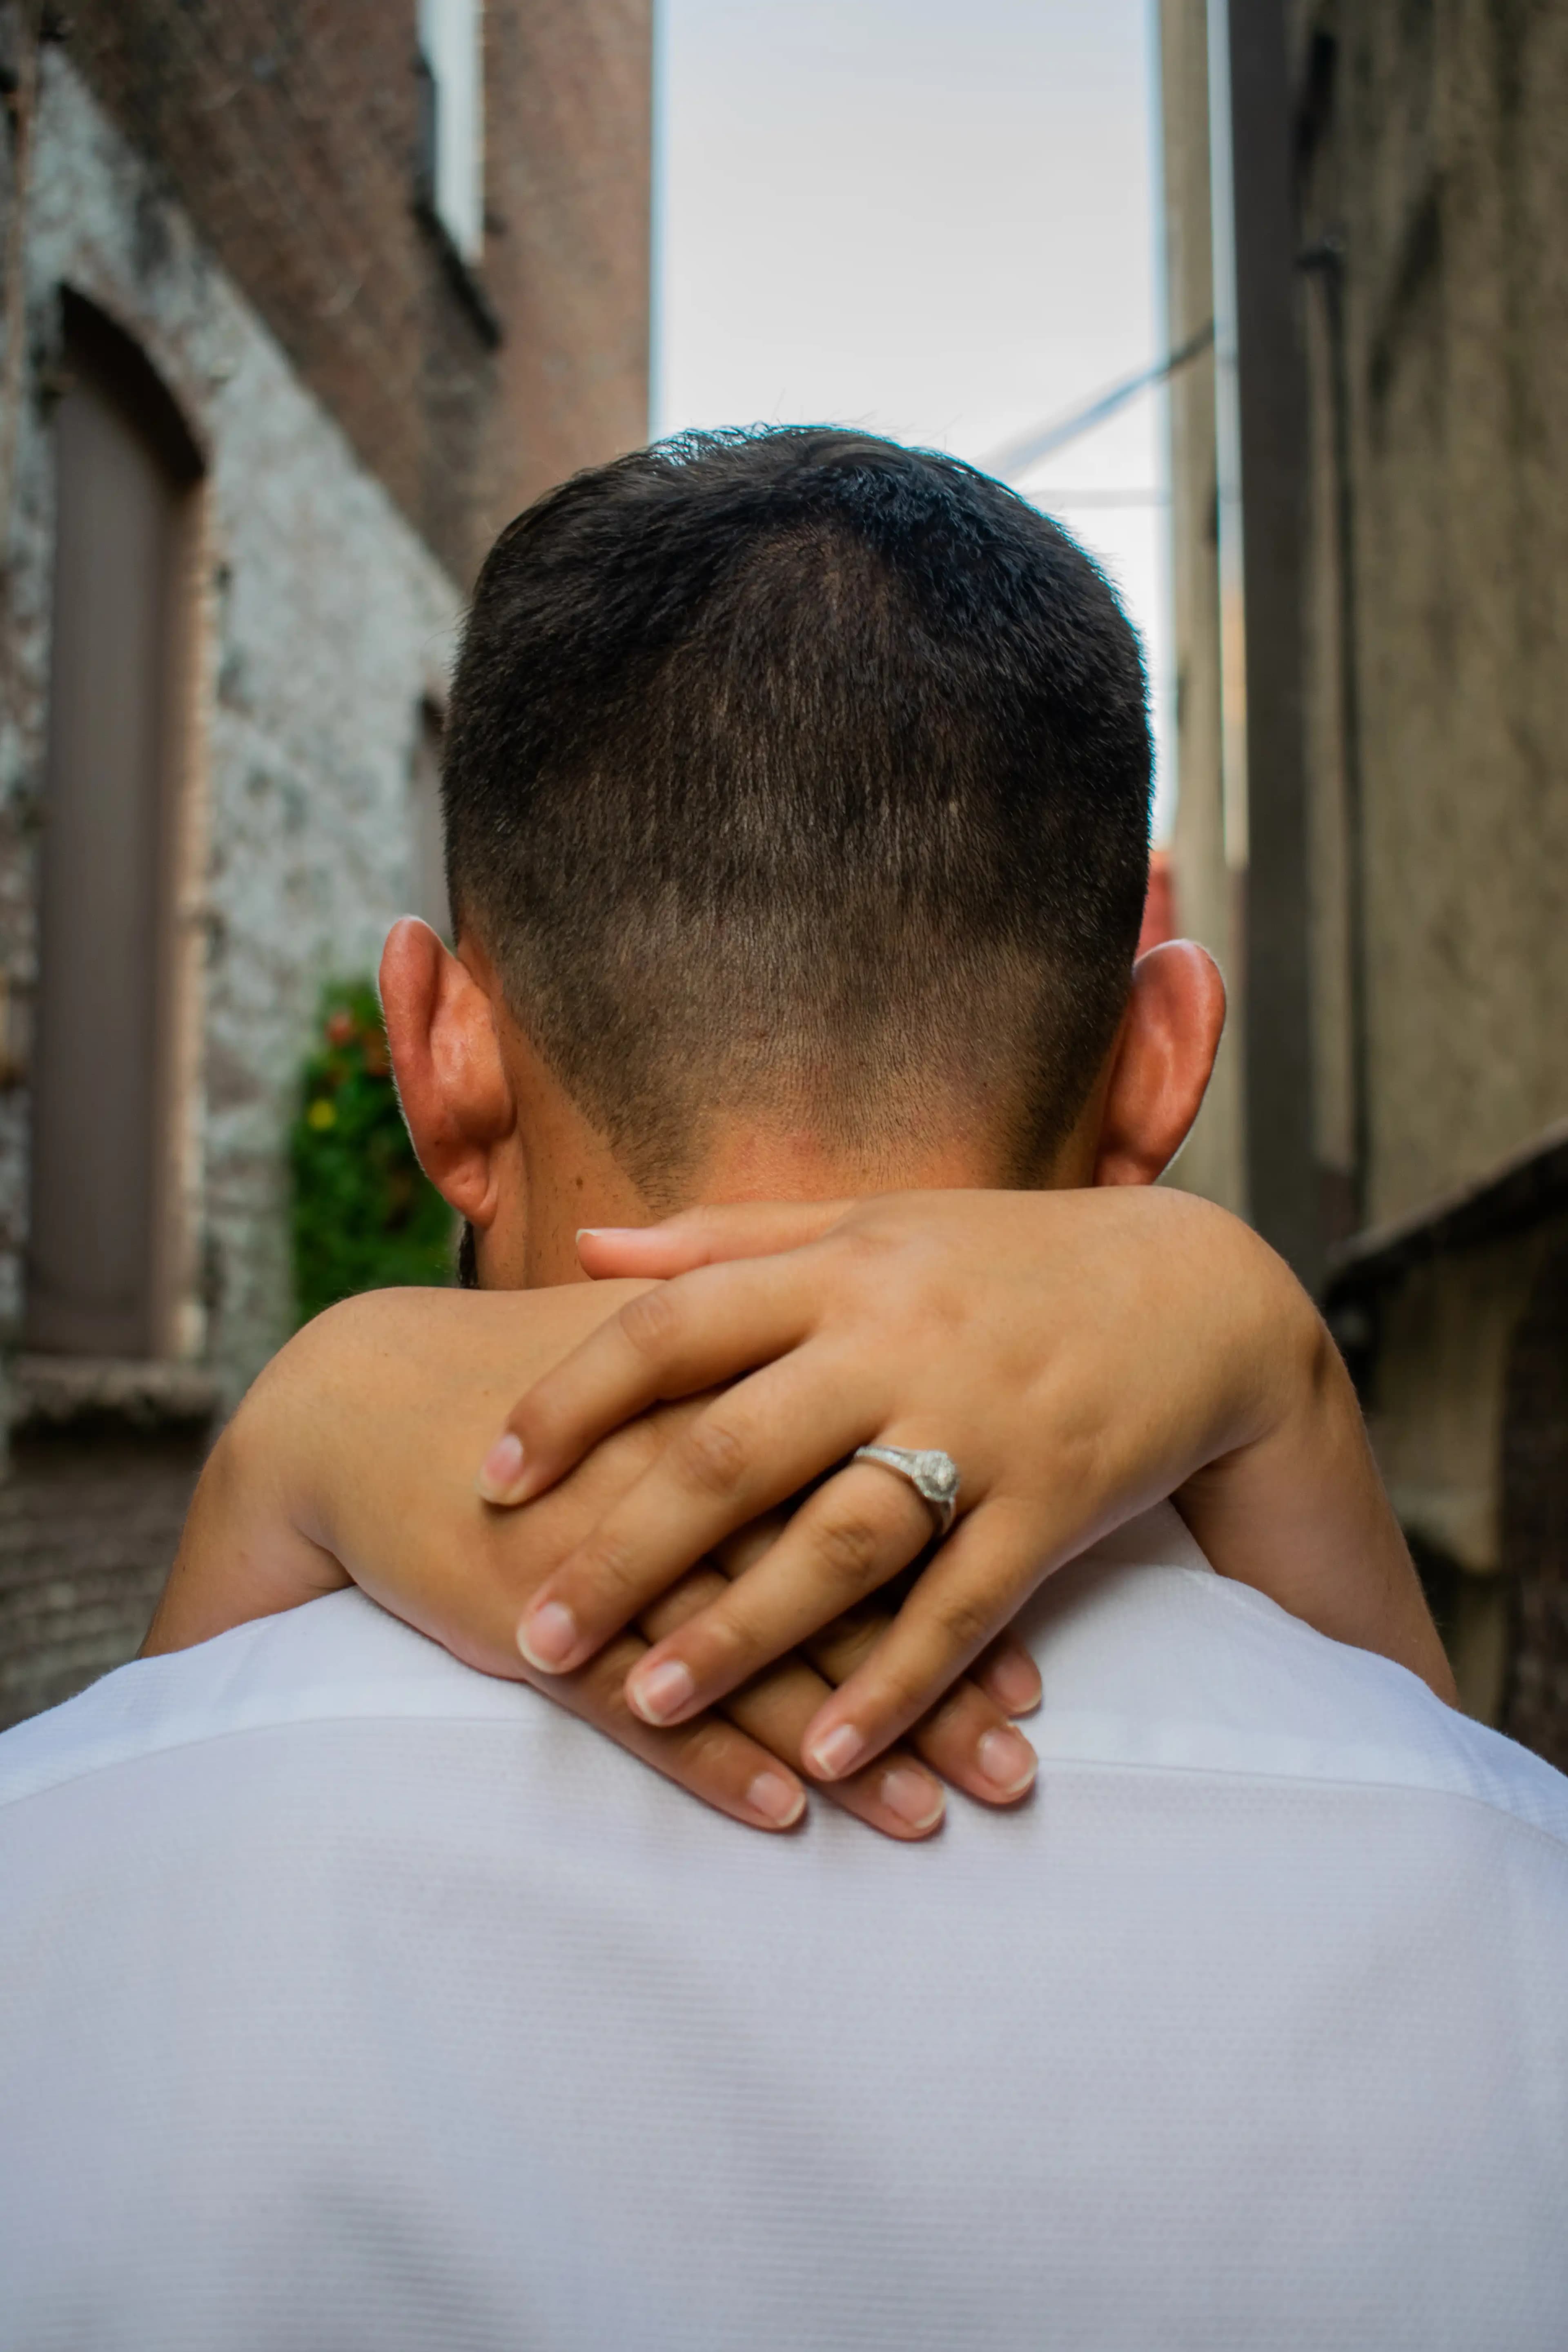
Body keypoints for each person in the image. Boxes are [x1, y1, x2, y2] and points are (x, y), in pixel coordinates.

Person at [2, 429, 1564, 2350]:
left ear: (442, 1057)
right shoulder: (1512, 1908)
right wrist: (1272, 1355)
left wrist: (283, 1439)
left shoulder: (54, 1890)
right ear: (1164, 1062)